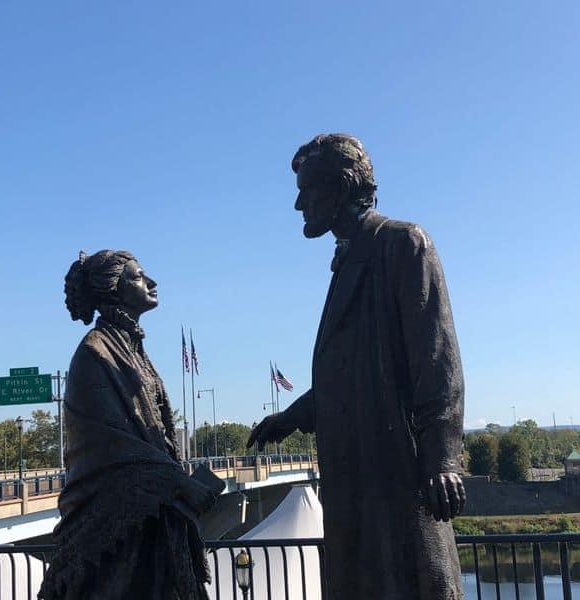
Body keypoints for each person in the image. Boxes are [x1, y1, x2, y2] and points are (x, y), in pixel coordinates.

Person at [248, 134, 467, 599]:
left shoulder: (402, 244)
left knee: (409, 582)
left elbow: (438, 359)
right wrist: (290, 419)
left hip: (396, 469)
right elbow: (344, 377)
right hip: (355, 473)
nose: (298, 204)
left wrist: (443, 460)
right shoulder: (348, 262)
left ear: (342, 188)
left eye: (308, 191)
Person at [40, 250, 216, 600]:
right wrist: (177, 481)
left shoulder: (133, 350)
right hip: (118, 528)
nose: (151, 282)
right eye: (137, 277)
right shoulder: (95, 352)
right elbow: (109, 447)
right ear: (112, 289)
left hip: (151, 518)